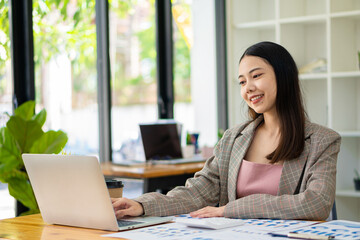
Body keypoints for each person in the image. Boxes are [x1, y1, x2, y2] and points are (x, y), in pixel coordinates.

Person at [112, 41, 341, 221]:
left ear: (284, 76)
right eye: (242, 82)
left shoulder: (322, 140)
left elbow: (316, 203)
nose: (248, 88)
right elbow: (198, 193)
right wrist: (143, 205)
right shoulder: (234, 138)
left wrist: (231, 209)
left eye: (256, 76)